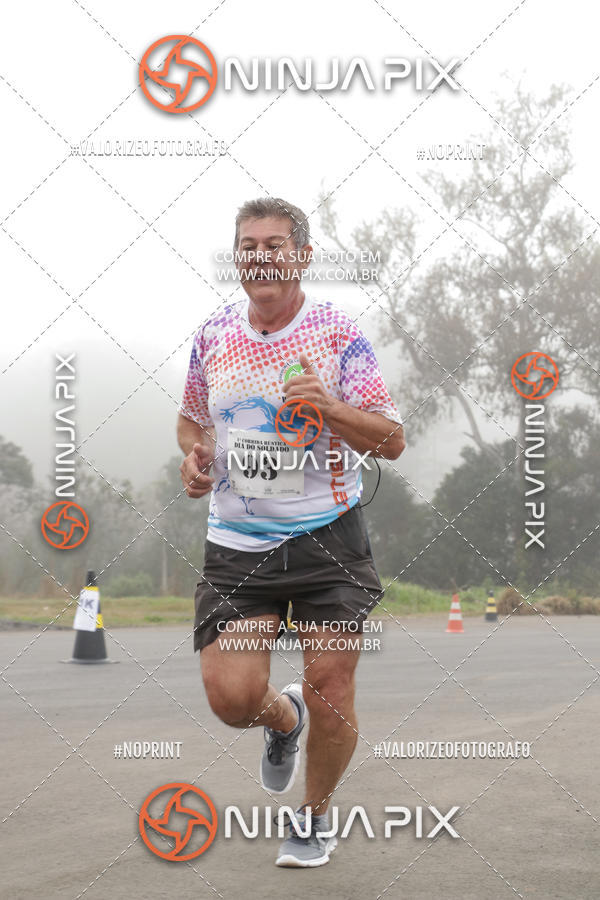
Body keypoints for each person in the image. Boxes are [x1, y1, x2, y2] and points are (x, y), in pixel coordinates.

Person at [177, 197, 405, 866]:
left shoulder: (337, 334)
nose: (261, 256)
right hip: (238, 547)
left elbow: (390, 437)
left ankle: (311, 818)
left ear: (302, 256)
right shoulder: (215, 334)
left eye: (275, 244)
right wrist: (193, 457)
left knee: (330, 685)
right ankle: (283, 720)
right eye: (249, 245)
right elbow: (192, 420)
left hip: (326, 538)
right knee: (231, 699)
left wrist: (332, 409)